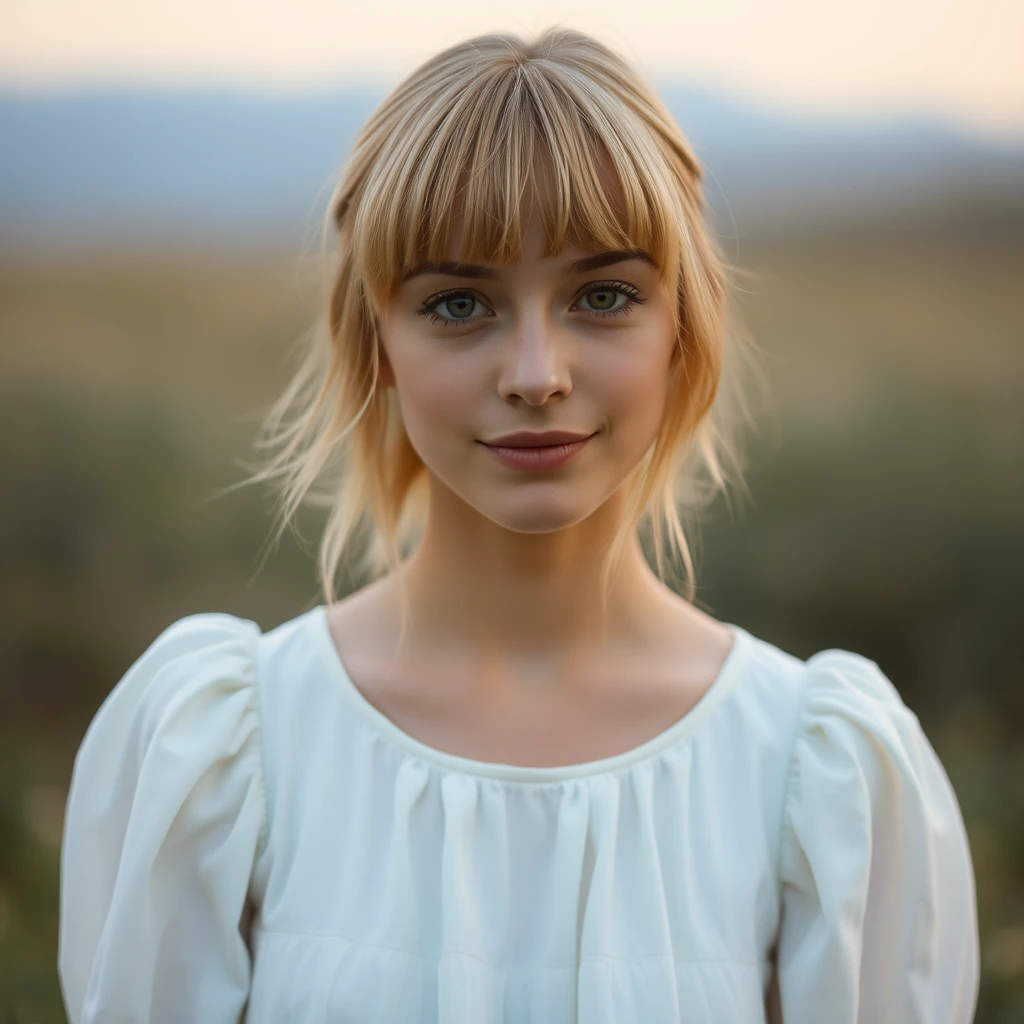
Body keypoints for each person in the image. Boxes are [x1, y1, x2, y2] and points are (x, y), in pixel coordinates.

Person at [57, 26, 980, 1024]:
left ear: (683, 328)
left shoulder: (821, 774)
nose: (536, 372)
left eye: (604, 295)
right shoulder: (231, 752)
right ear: (376, 344)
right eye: (458, 303)